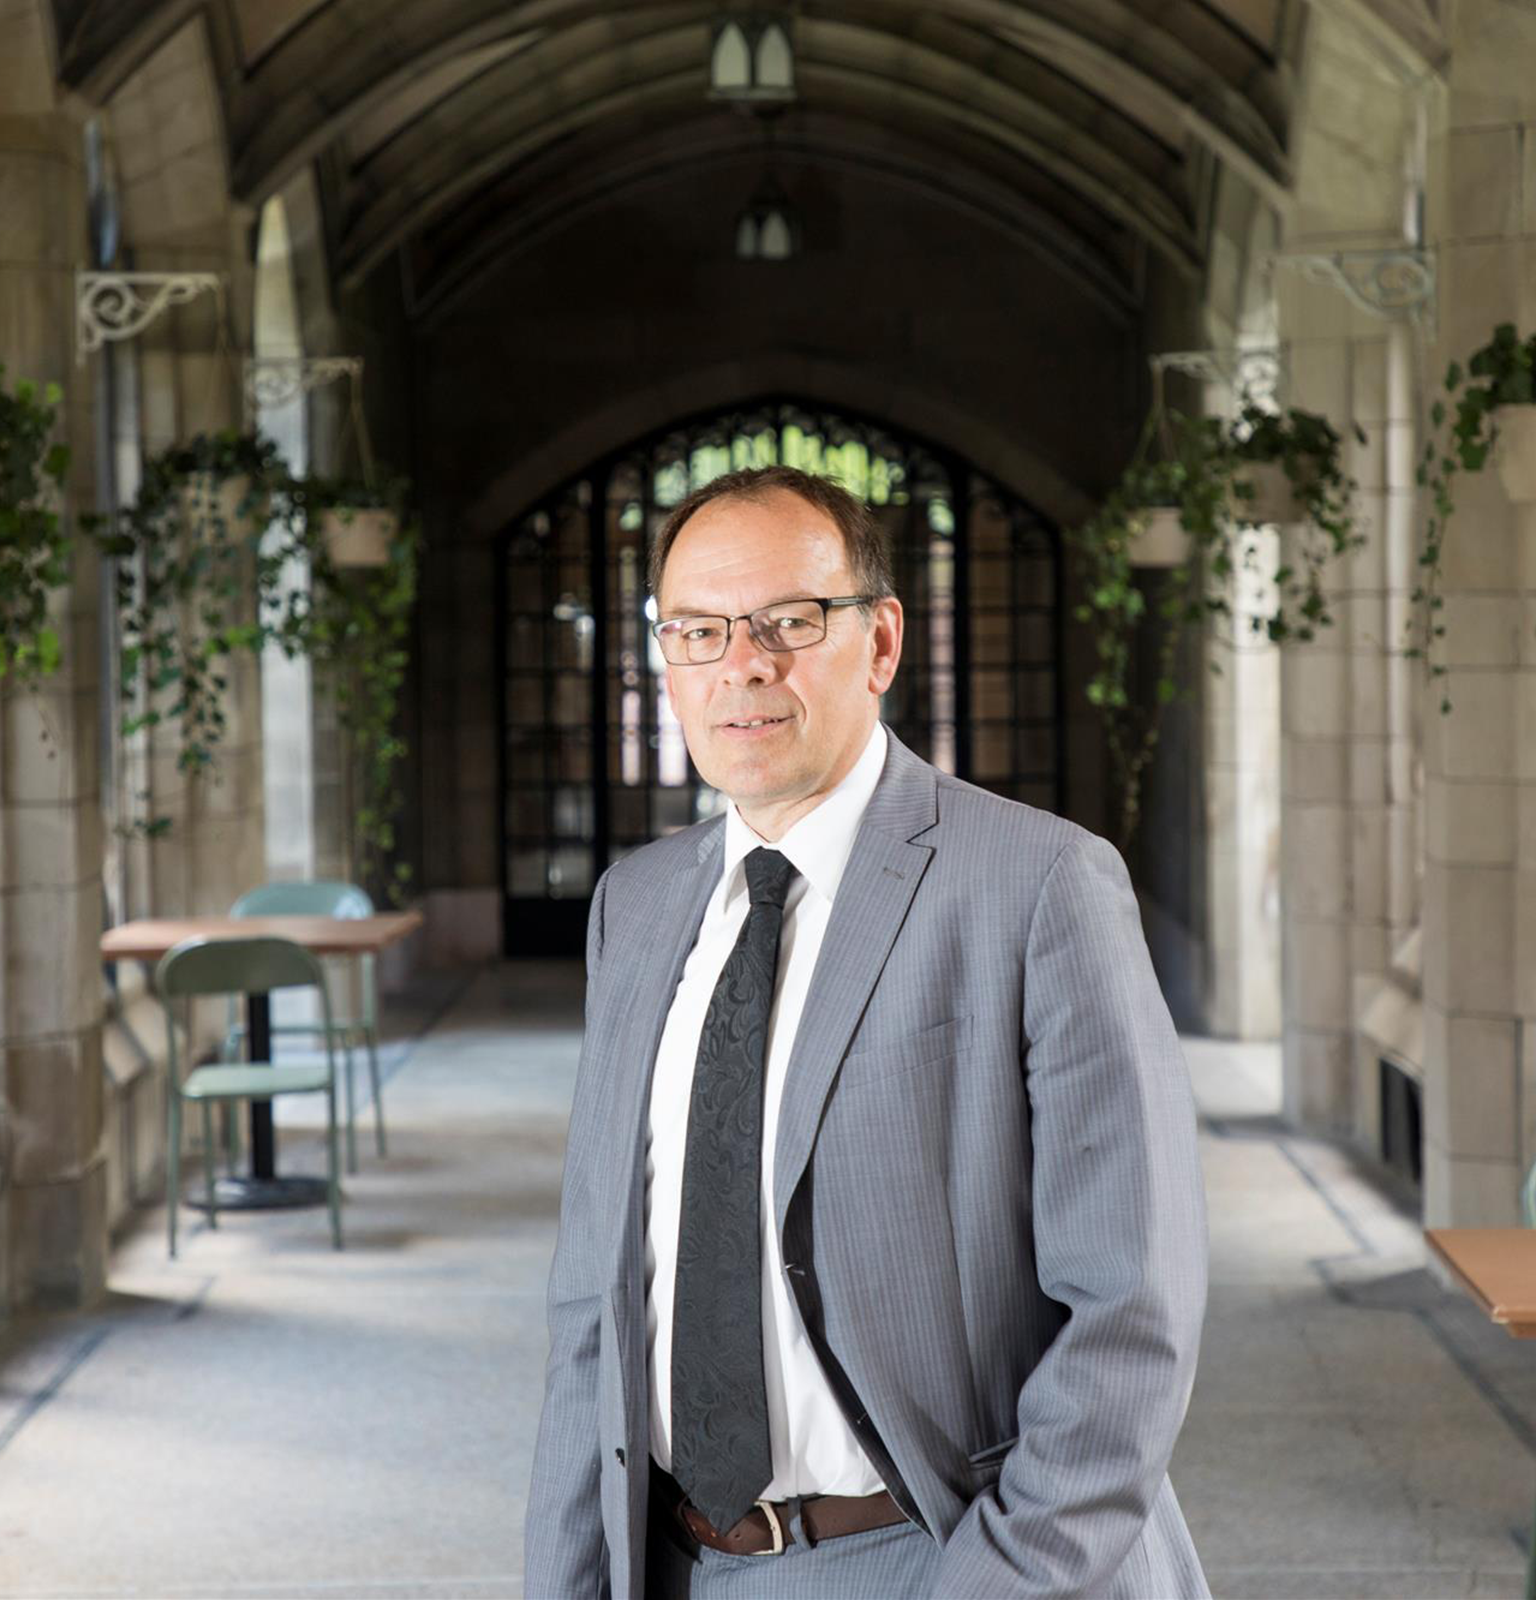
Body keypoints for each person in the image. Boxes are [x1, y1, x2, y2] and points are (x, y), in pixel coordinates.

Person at [526, 464, 1209, 1599]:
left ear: (880, 641)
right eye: (697, 630)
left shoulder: (1040, 886)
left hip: (945, 1554)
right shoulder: (633, 909)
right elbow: (593, 1301)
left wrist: (992, 1583)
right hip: (681, 1563)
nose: (742, 665)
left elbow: (1133, 1311)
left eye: (789, 623)